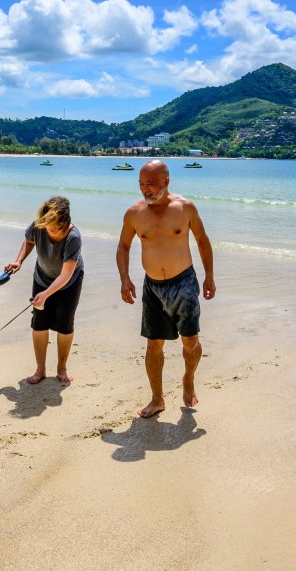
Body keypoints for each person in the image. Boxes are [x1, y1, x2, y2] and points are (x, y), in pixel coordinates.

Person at [116, 159, 215, 417]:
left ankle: (188, 378)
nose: (145, 189)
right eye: (141, 184)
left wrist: (209, 276)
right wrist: (125, 279)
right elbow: (123, 246)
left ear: (166, 181)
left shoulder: (185, 208)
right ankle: (157, 399)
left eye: (151, 183)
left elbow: (203, 241)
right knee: (154, 344)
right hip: (153, 288)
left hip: (183, 282)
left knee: (190, 341)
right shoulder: (134, 213)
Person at [4, 195, 84, 385]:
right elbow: (29, 241)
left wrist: (46, 294)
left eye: (56, 228)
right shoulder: (39, 225)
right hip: (42, 276)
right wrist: (19, 260)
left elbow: (65, 275)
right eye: (49, 227)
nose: (52, 231)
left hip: (69, 282)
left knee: (65, 325)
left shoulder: (73, 237)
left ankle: (61, 368)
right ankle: (40, 369)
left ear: (66, 222)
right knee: (39, 323)